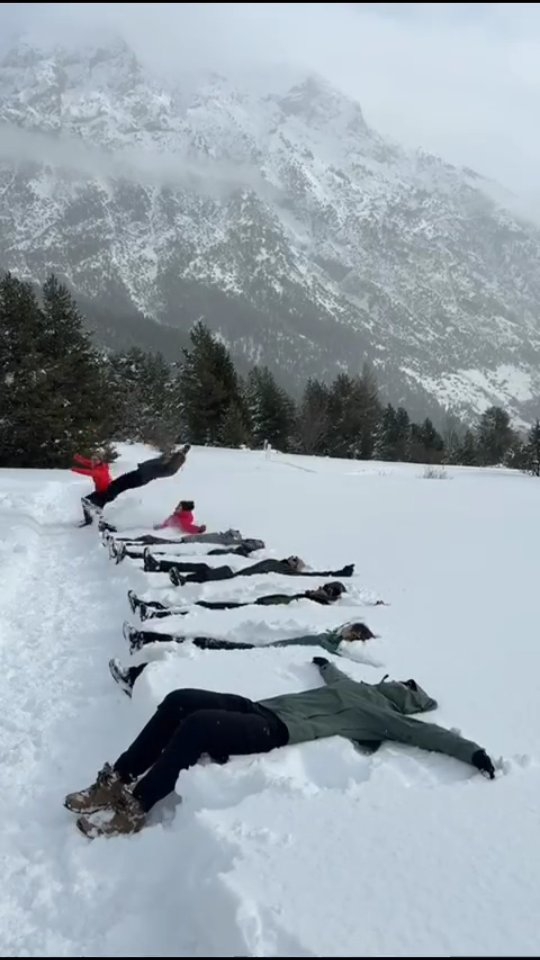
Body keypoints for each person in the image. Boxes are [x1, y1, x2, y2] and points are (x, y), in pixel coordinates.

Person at [66, 659, 496, 838]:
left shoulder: (383, 717)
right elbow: (334, 673)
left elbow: (432, 736)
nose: (393, 686)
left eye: (400, 689)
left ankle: (136, 806)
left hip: (276, 730)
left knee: (197, 725)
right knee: (180, 698)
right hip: (258, 706)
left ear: (400, 700)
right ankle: (116, 779)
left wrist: (472, 752)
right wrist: (323, 662)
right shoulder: (354, 686)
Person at [109, 620, 376, 695]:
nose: (346, 631)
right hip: (258, 650)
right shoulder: (328, 637)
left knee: (196, 663)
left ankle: (136, 677)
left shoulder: (333, 650)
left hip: (263, 659)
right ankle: (143, 639)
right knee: (202, 643)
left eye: (351, 633)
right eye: (349, 629)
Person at [127, 581, 348, 621]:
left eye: (324, 590)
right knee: (203, 606)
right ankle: (156, 610)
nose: (319, 589)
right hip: (255, 605)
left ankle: (157, 612)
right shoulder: (310, 596)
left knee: (203, 610)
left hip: (254, 612)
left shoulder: (318, 605)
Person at [82, 444, 191, 518]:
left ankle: (99, 506)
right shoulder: (168, 465)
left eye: (174, 456)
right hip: (139, 475)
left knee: (117, 486)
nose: (171, 455)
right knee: (116, 485)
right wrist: (183, 450)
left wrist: (176, 454)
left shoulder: (168, 468)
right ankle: (99, 505)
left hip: (140, 477)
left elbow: (164, 461)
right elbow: (169, 457)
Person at [143, 552, 354, 585]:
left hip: (237, 577)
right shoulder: (276, 561)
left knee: (218, 571)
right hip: (236, 570)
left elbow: (316, 575)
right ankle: (159, 565)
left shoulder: (286, 571)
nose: (290, 560)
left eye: (293, 560)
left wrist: (339, 573)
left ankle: (185, 580)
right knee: (201, 565)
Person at [110, 537, 265, 566]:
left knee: (164, 556)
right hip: (199, 552)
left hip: (200, 557)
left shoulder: (240, 554)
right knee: (162, 553)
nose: (248, 542)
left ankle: (129, 553)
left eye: (252, 543)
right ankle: (128, 552)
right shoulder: (236, 546)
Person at [72, 454, 113, 526]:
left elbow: (90, 472)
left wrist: (76, 469)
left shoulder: (102, 469)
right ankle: (92, 520)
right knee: (88, 502)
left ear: (100, 460)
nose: (93, 461)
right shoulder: (95, 465)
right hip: (101, 491)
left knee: (88, 502)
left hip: (106, 492)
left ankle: (92, 522)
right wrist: (78, 458)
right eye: (92, 459)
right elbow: (86, 462)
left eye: (96, 460)